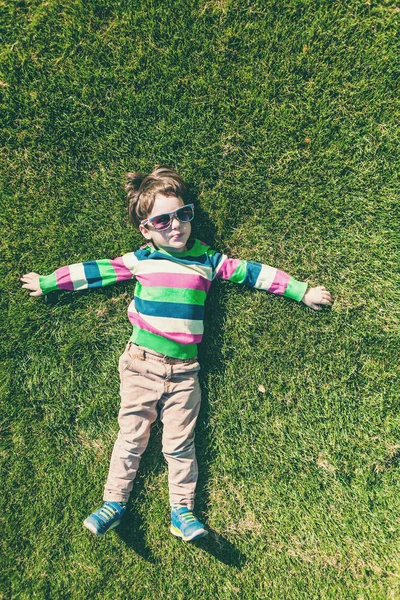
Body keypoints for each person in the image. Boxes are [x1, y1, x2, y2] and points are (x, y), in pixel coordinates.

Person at [20, 165, 333, 542]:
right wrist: (49, 282)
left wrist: (301, 291)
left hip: (185, 372)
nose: (176, 225)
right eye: (163, 220)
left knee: (180, 444)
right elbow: (93, 272)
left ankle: (182, 511)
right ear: (146, 229)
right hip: (141, 365)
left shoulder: (209, 260)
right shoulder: (140, 260)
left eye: (184, 215)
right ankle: (114, 502)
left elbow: (255, 273)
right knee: (131, 437)